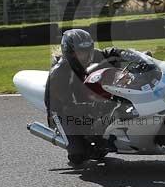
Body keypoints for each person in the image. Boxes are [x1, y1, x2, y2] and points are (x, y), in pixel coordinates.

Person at [45, 29, 125, 165]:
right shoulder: (59, 73)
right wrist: (96, 107)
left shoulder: (93, 55)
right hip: (61, 112)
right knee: (78, 156)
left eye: (88, 50)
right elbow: (68, 107)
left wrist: (131, 55)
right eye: (80, 52)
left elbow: (111, 53)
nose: (86, 55)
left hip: (84, 101)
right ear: (69, 52)